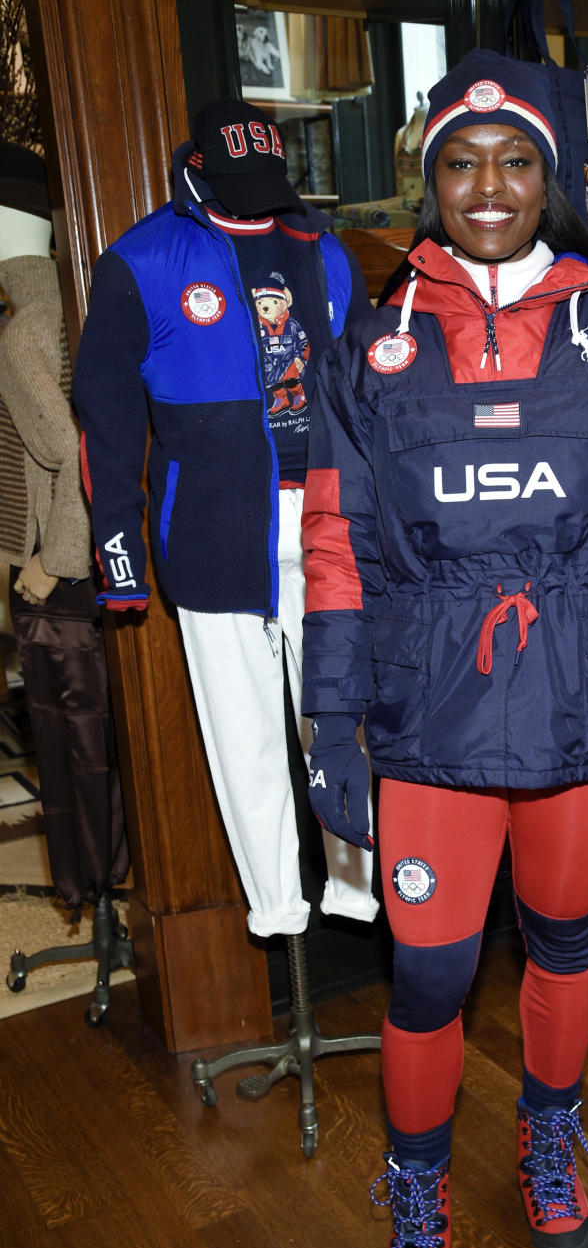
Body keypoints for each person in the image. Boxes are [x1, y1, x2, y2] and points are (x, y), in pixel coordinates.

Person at [300, 50, 588, 1248]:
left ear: (552, 177)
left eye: (517, 158)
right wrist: (330, 720)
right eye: (462, 160)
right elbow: (332, 546)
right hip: (427, 721)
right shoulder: (371, 347)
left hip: (581, 713)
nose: (490, 185)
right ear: (429, 178)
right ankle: (415, 1199)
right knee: (427, 982)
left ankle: (551, 1143)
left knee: (562, 942)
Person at [72, 97, 376, 943]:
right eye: (237, 182)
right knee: (241, 730)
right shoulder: (141, 260)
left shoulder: (324, 249)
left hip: (329, 522)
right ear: (195, 168)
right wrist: (119, 551)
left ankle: (355, 884)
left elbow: (370, 396)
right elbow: (105, 417)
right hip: (210, 530)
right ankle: (278, 906)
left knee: (340, 715)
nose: (257, 198)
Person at [0, 140, 128, 910]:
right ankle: (102, 888)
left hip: (60, 581)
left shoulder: (24, 328)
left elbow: (73, 447)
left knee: (72, 746)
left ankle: (94, 890)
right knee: (91, 746)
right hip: (76, 567)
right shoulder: (68, 301)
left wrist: (57, 558)